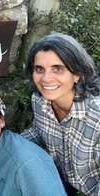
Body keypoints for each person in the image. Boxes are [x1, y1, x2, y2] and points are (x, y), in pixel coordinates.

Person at [22, 33, 100, 195]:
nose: (46, 78)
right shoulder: (39, 101)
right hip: (61, 178)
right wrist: (3, 145)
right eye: (39, 69)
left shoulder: (96, 116)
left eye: (57, 69)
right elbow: (38, 132)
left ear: (77, 74)